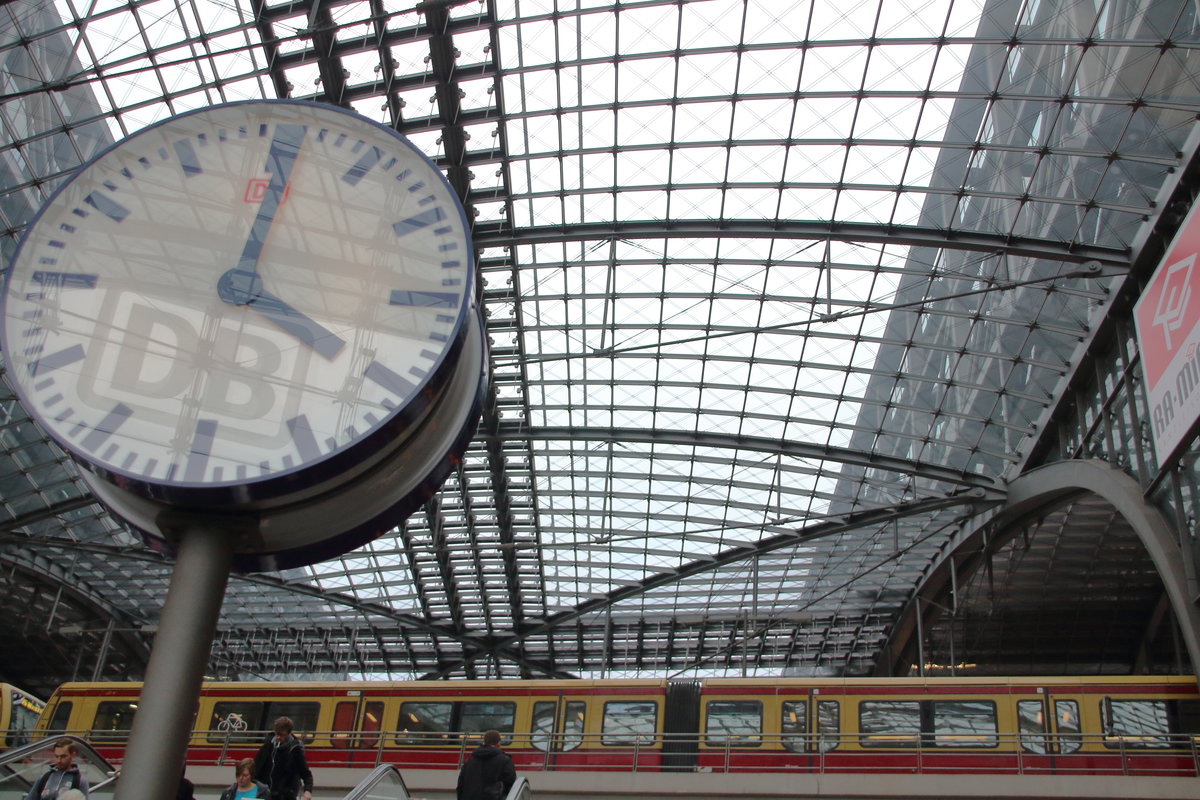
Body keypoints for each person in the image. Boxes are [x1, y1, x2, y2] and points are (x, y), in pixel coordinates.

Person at [253, 717, 313, 800]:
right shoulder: (268, 746)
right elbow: (256, 767)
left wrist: (307, 790)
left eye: (282, 735)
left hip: (286, 795)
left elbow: (305, 773)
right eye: (277, 734)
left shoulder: (295, 749)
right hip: (265, 793)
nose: (278, 738)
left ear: (289, 733)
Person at [456, 729, 515, 800]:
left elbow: (461, 784)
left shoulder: (470, 760)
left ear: (484, 742)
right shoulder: (505, 760)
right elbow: (511, 784)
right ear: (498, 743)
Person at [25, 739, 89, 800]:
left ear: (73, 755)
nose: (59, 760)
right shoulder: (44, 778)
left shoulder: (80, 781)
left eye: (63, 756)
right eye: (56, 756)